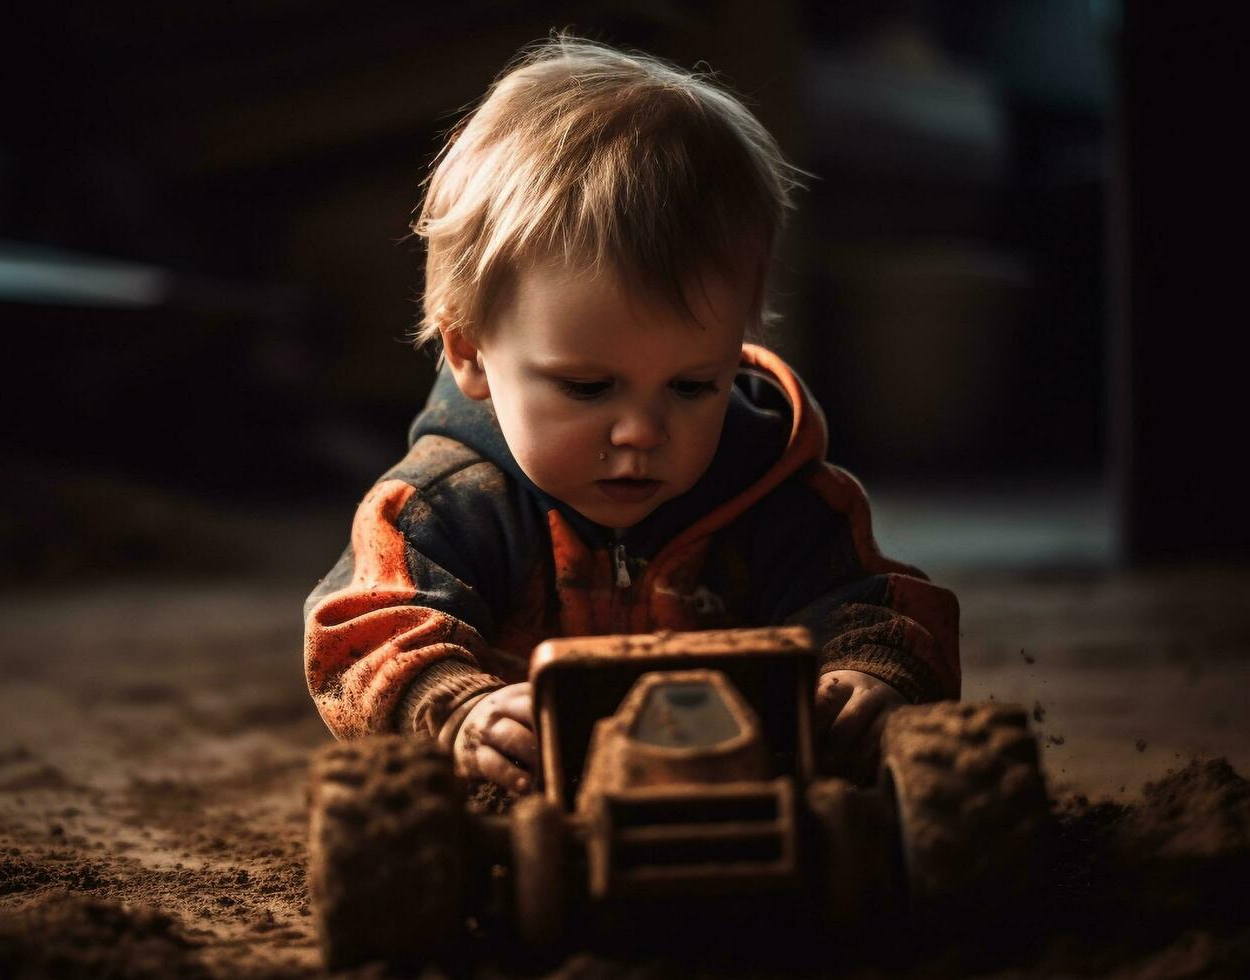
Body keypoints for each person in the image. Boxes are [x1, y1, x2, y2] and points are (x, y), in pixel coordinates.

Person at [303, 35, 959, 795]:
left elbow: (878, 608)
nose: (642, 433)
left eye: (691, 386)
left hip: (750, 783)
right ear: (471, 353)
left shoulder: (780, 494)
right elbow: (363, 637)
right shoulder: (439, 508)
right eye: (587, 388)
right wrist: (457, 709)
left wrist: (870, 675)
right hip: (529, 795)